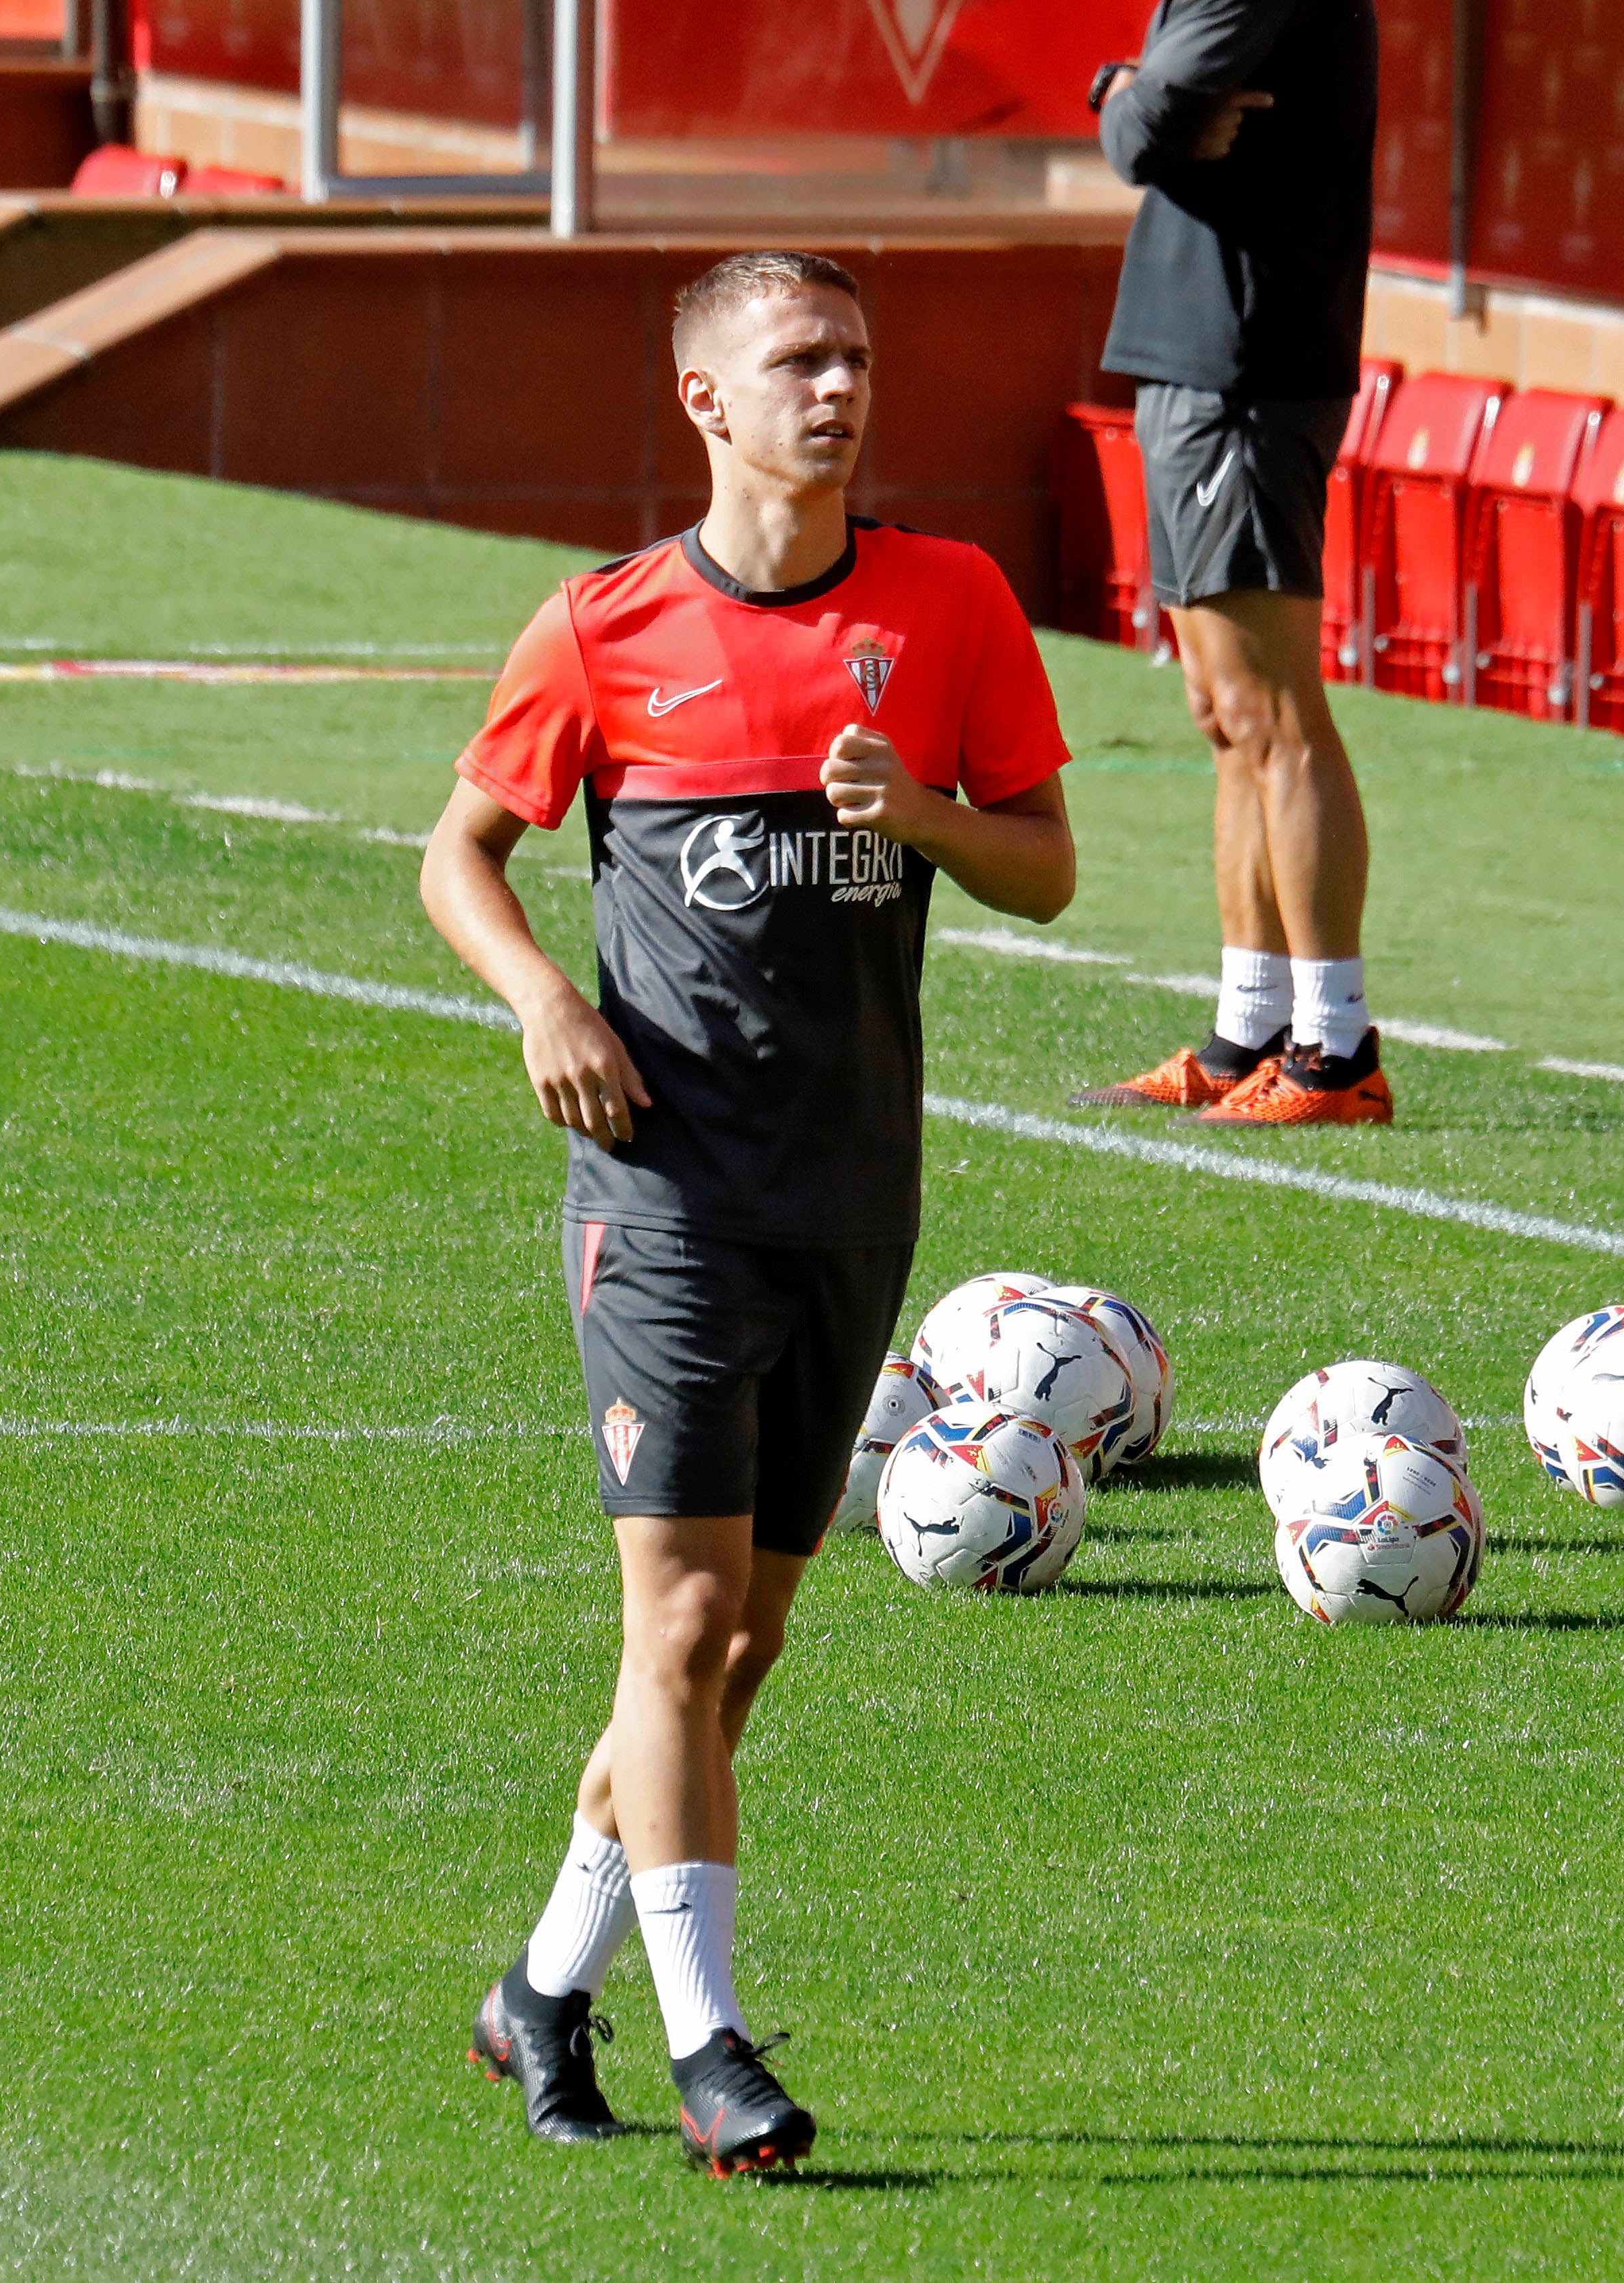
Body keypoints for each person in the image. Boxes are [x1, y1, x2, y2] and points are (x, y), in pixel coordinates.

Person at [419, 249, 1077, 2177]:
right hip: (668, 1197)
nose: (838, 389)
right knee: (681, 1617)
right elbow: (458, 852)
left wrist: (927, 816)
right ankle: (713, 2045)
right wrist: (546, 998)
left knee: (737, 1653)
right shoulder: (606, 626)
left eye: (856, 358)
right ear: (705, 398)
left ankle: (541, 1982)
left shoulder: (948, 604)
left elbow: (1042, 868)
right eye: (798, 361)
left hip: (855, 1189)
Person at [1072, 0, 1390, 1127]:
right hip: (1195, 355)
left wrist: (1130, 104)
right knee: (1221, 710)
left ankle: (1335, 1051)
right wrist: (1127, 89)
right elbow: (1150, 109)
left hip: (1249, 364)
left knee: (1272, 709)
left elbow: (1153, 131)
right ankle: (1249, 1029)